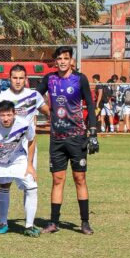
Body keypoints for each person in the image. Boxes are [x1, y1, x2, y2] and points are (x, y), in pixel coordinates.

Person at [36, 46, 98, 235]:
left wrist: (93, 133)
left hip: (77, 137)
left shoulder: (80, 79)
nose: (62, 61)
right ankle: (53, 222)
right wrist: (47, 111)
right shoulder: (50, 79)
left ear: (71, 60)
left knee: (80, 178)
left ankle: (85, 222)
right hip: (57, 138)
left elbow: (90, 104)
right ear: (55, 61)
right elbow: (33, 96)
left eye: (66, 58)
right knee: (57, 179)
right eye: (59, 58)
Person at [0, 64, 49, 233]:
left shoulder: (34, 95)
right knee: (4, 184)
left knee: (30, 184)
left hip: (27, 146)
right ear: (9, 79)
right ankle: (3, 223)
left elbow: (47, 111)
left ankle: (29, 224)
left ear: (26, 79)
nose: (18, 81)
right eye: (15, 78)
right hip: (5, 147)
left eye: (21, 78)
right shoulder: (1, 96)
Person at [0, 100, 40, 237]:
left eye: (9, 115)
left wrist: (29, 165)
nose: (6, 118)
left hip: (17, 159)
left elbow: (32, 139)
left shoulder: (24, 124)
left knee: (32, 185)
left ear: (14, 114)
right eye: (3, 115)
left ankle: (29, 225)